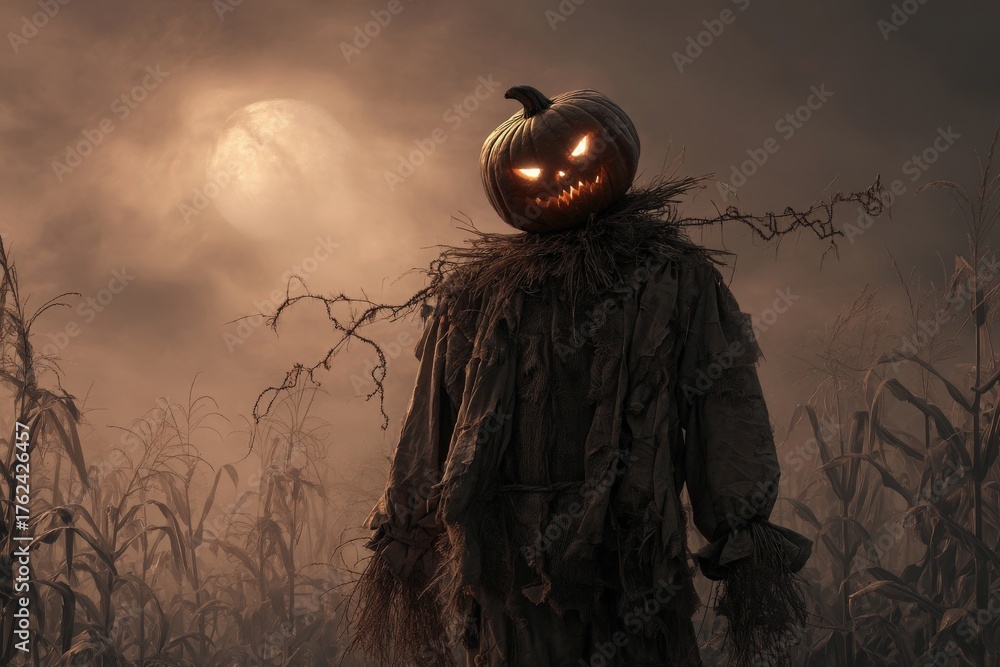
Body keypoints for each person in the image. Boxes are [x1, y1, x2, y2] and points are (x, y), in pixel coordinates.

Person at [352, 86, 812, 667]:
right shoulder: (474, 299)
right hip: (509, 565)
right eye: (530, 167)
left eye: (579, 151)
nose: (559, 174)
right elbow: (432, 419)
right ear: (507, 181)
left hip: (631, 551)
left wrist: (742, 532)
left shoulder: (675, 280)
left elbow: (725, 407)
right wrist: (407, 527)